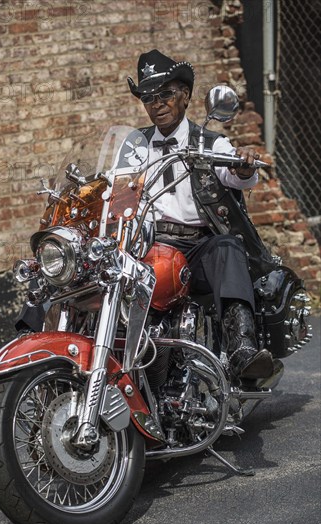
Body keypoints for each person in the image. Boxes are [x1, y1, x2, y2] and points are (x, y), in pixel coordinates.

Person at [127, 49, 274, 380]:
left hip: (198, 248)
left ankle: (241, 349)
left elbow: (235, 175)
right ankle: (35, 344)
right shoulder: (135, 145)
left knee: (227, 246)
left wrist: (243, 162)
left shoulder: (210, 142)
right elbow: (114, 185)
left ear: (185, 96)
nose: (157, 103)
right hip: (149, 246)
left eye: (165, 93)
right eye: (148, 96)